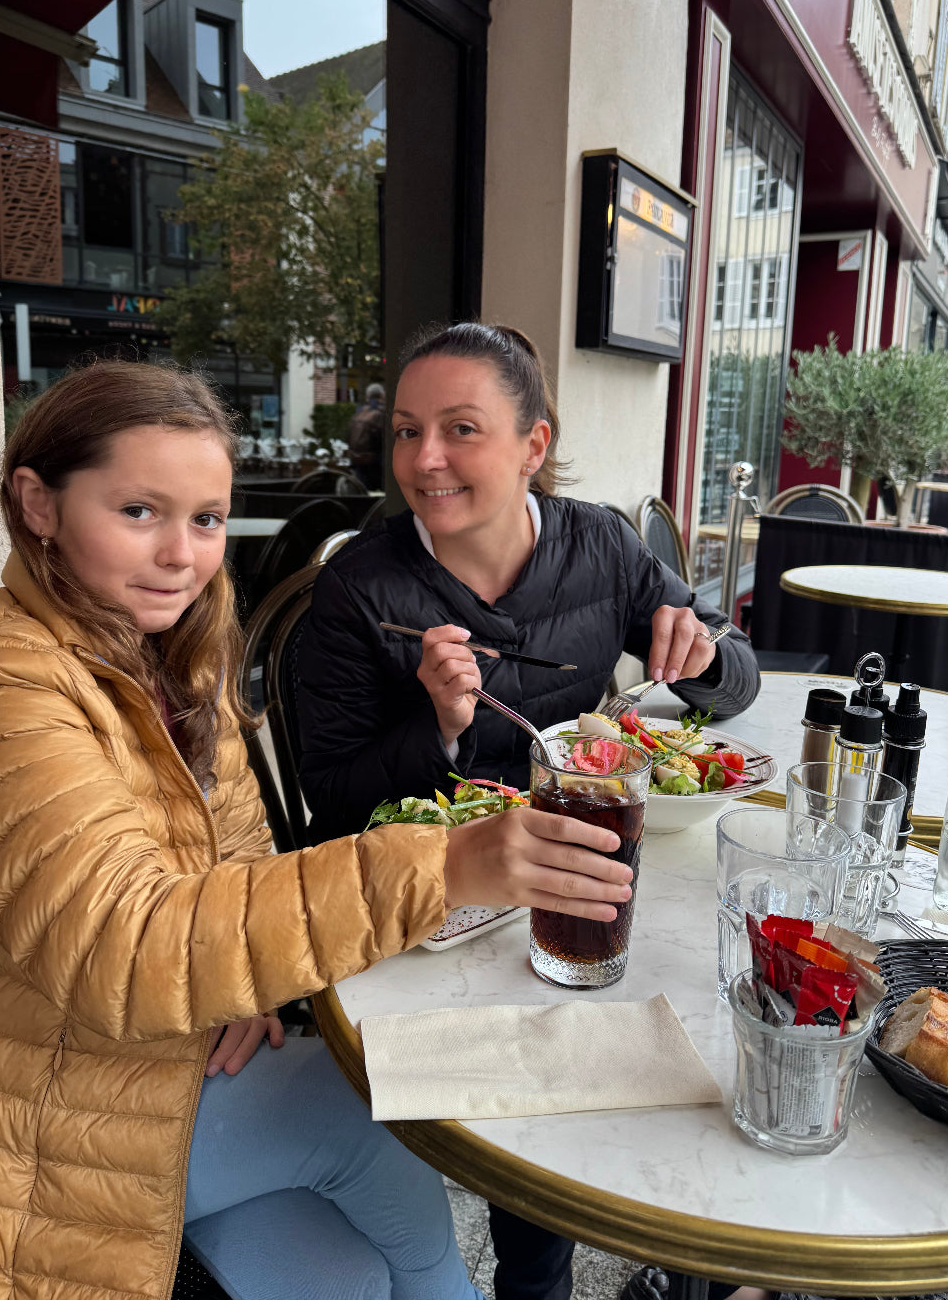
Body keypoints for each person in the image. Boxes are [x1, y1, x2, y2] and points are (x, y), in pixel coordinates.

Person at [0, 360, 638, 1300]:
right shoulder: (3, 680)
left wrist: (245, 983)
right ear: (39, 505)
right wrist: (445, 863)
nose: (181, 553)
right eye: (138, 511)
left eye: (207, 520)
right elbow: (118, 941)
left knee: (344, 1275)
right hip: (18, 1114)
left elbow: (238, 841)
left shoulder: (166, 648)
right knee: (369, 1126)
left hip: (155, 1059)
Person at [294, 323, 762, 1300]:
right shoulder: (357, 591)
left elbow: (732, 686)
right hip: (449, 915)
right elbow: (331, 796)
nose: (424, 459)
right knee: (538, 1124)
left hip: (600, 863)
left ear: (531, 446)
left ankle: (706, 1265)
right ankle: (536, 1278)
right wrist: (439, 724)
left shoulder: (600, 544)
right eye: (408, 431)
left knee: (725, 1035)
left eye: (460, 429)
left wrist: (706, 652)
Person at [348, 382, 386, 490]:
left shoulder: (359, 411)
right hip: (376, 463)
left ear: (367, 396)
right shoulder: (382, 412)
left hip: (358, 460)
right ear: (382, 395)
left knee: (363, 492)